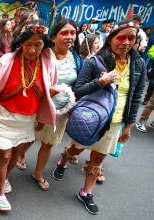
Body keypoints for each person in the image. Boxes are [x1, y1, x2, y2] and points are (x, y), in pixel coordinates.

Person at [51, 19, 146, 215]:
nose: (126, 42)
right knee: (76, 150)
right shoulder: (94, 62)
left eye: (131, 38)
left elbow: (136, 96)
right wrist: (100, 82)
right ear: (111, 39)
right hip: (90, 119)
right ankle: (63, 160)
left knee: (97, 160)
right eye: (122, 37)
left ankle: (86, 192)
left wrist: (128, 125)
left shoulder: (138, 64)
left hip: (116, 121)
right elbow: (77, 91)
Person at [0, 19, 58, 211]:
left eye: (38, 44)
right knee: (5, 155)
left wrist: (42, 118)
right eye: (29, 44)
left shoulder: (49, 64)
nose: (33, 50)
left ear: (44, 45)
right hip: (3, 116)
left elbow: (48, 92)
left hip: (28, 118)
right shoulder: (6, 60)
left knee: (17, 154)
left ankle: (5, 178)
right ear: (21, 44)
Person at [17, 18, 83, 191]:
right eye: (64, 33)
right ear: (53, 37)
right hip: (39, 107)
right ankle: (20, 154)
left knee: (49, 143)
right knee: (30, 137)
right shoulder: (43, 54)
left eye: (73, 33)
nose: (69, 37)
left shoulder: (76, 58)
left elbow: (79, 84)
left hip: (61, 111)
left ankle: (38, 173)